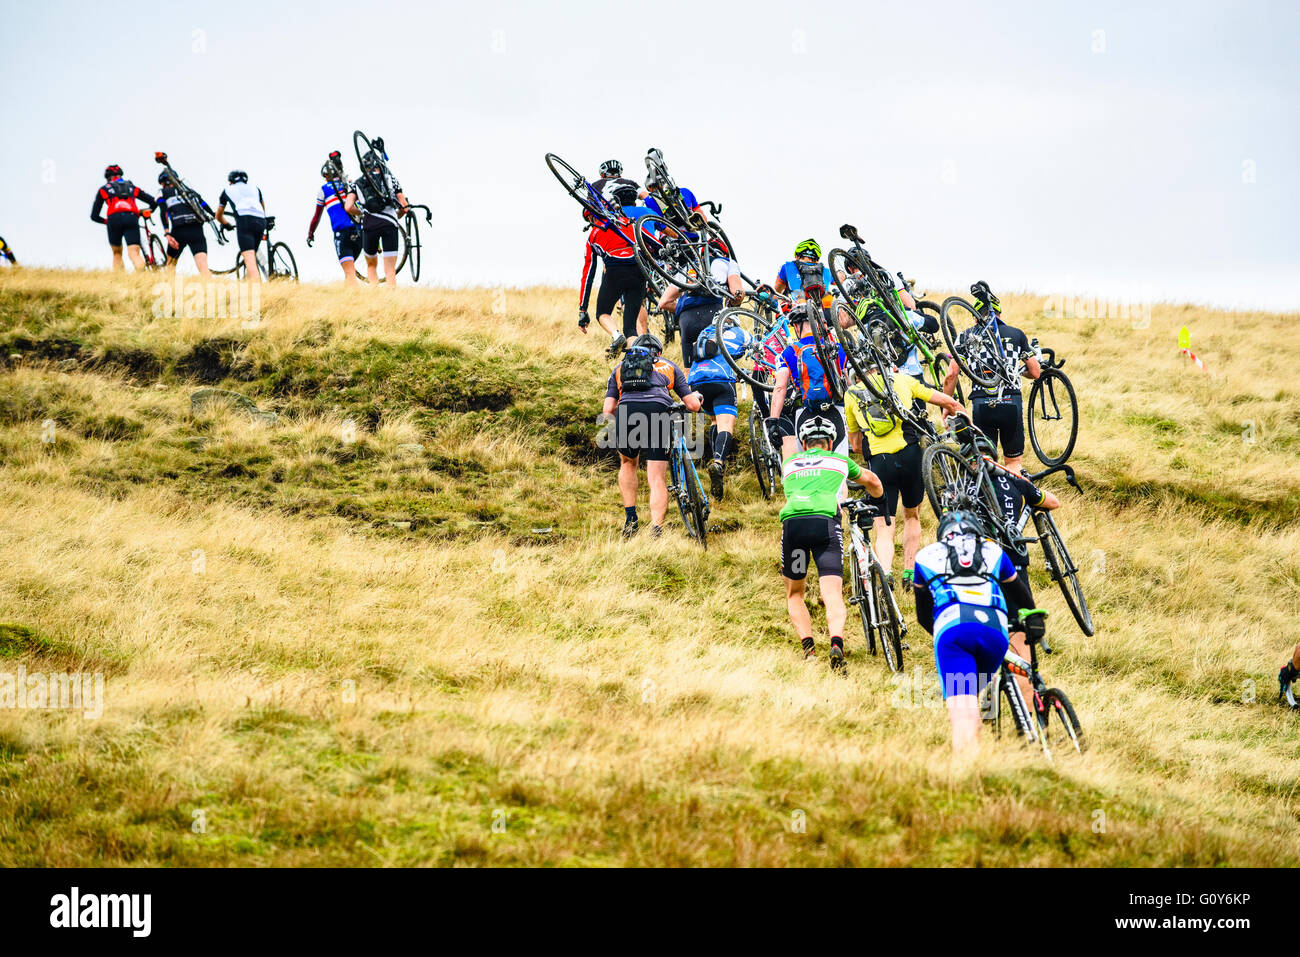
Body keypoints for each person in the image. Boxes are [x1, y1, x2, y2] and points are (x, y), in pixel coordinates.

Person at [913, 509, 1041, 753]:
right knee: (976, 694)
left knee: (963, 713)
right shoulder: (994, 550)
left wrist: (945, 640)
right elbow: (1021, 595)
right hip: (995, 631)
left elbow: (922, 615)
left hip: (953, 631)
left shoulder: (925, 556)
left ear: (943, 535)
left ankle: (966, 772)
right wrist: (1033, 620)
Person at [844, 358, 963, 591]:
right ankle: (909, 570)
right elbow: (946, 400)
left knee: (884, 526)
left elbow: (856, 445)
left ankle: (886, 572)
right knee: (911, 516)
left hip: (880, 463)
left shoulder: (851, 395)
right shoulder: (901, 380)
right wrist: (955, 415)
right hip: (910, 456)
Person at [779, 412, 884, 670]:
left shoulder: (789, 464)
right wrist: (879, 500)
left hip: (794, 526)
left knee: (795, 594)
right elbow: (872, 481)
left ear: (804, 444)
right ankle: (836, 643)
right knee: (832, 593)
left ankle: (809, 648)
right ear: (831, 441)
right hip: (824, 525)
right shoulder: (839, 459)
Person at [980, 437, 1061, 706]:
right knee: (1020, 635)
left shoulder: (965, 485)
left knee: (983, 634)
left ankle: (987, 703)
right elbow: (1053, 502)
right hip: (1014, 563)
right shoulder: (1016, 481)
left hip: (980, 568)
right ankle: (1028, 708)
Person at [600, 333, 702, 538]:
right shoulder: (669, 366)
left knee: (628, 463)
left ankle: (631, 519)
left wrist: (620, 419)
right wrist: (698, 399)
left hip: (628, 410)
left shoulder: (620, 368)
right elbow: (692, 405)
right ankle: (656, 528)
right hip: (659, 410)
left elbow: (608, 409)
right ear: (659, 352)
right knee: (656, 477)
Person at [943, 282, 1040, 472]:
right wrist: (1019, 372)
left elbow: (951, 374)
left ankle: (986, 498)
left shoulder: (965, 336)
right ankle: (1013, 498)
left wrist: (946, 404)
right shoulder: (1016, 334)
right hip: (1011, 400)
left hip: (981, 404)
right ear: (999, 314)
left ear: (975, 316)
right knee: (1013, 463)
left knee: (983, 462)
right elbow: (1035, 372)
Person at [769, 302, 848, 459]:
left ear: (796, 326)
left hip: (805, 415)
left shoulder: (789, 352)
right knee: (839, 471)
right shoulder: (837, 348)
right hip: (836, 412)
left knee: (810, 472)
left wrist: (773, 422)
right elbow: (848, 381)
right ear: (818, 321)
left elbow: (780, 388)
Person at [688, 319, 753, 501]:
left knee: (715, 420)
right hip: (722, 379)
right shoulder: (739, 332)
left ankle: (713, 460)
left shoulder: (705, 332)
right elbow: (756, 346)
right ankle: (718, 462)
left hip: (697, 381)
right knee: (726, 425)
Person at [656, 246, 744, 368]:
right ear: (724, 254)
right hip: (712, 315)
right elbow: (737, 293)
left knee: (689, 371)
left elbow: (663, 302)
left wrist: (683, 309)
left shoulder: (688, 267)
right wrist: (733, 305)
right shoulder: (727, 262)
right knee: (717, 367)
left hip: (687, 321)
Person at [578, 208, 646, 355]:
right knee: (630, 327)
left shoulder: (592, 236)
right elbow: (651, 241)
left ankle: (616, 336)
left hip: (615, 270)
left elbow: (588, 274)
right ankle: (638, 360)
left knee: (602, 312)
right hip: (638, 269)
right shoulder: (627, 222)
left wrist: (583, 309)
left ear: (591, 218)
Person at [346, 146, 409, 287]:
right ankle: (391, 300)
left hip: (369, 225)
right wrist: (396, 216)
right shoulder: (391, 179)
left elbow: (348, 207)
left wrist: (361, 212)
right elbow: (404, 206)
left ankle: (374, 296)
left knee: (371, 265)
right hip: (390, 224)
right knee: (390, 269)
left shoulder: (356, 184)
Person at [90, 165, 157, 272]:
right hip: (131, 217)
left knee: (117, 254)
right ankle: (143, 277)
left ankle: (119, 280)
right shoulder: (131, 187)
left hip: (113, 219)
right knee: (134, 253)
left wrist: (107, 222)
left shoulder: (103, 189)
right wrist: (144, 212)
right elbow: (153, 201)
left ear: (108, 178)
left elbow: (94, 216)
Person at [308, 158, 363, 287]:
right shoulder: (350, 185)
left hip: (342, 233)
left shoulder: (324, 190)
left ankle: (359, 301)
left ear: (326, 175)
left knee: (350, 273)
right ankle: (345, 301)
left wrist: (310, 233)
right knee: (349, 272)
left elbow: (317, 216)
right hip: (359, 232)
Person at [155, 170, 212, 278]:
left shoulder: (162, 192)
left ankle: (170, 291)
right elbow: (204, 204)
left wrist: (167, 232)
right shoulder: (190, 191)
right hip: (197, 229)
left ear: (163, 183)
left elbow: (164, 212)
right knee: (203, 267)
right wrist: (212, 214)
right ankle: (212, 292)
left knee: (170, 264)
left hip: (179, 230)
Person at [215, 170, 266, 282]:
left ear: (231, 182)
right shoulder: (255, 189)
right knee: (252, 257)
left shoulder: (227, 190)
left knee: (250, 261)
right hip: (261, 220)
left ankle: (259, 294)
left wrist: (226, 224)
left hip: (244, 220)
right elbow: (263, 208)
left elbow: (218, 215)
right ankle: (247, 286)